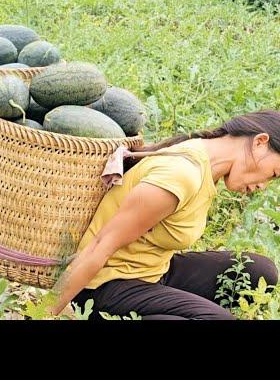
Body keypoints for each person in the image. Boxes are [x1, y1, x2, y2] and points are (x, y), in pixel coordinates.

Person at [47, 109, 280, 320]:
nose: (263, 186)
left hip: (155, 272)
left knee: (260, 272)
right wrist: (44, 312)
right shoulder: (179, 175)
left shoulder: (205, 162)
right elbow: (100, 246)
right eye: (272, 174)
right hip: (105, 287)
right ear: (260, 142)